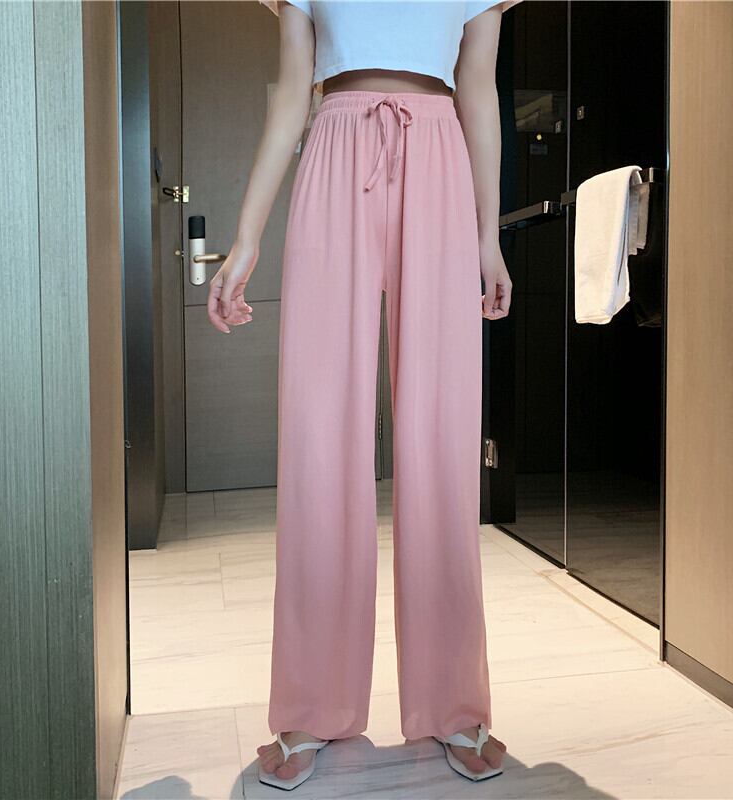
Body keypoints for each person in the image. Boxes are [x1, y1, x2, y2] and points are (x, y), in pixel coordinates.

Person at [206, 0, 518, 789]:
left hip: (440, 154)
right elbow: (291, 95)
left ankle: (453, 703)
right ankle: (312, 706)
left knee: (441, 433)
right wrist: (245, 239)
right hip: (336, 146)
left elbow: (479, 92)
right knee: (318, 432)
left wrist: (488, 238)